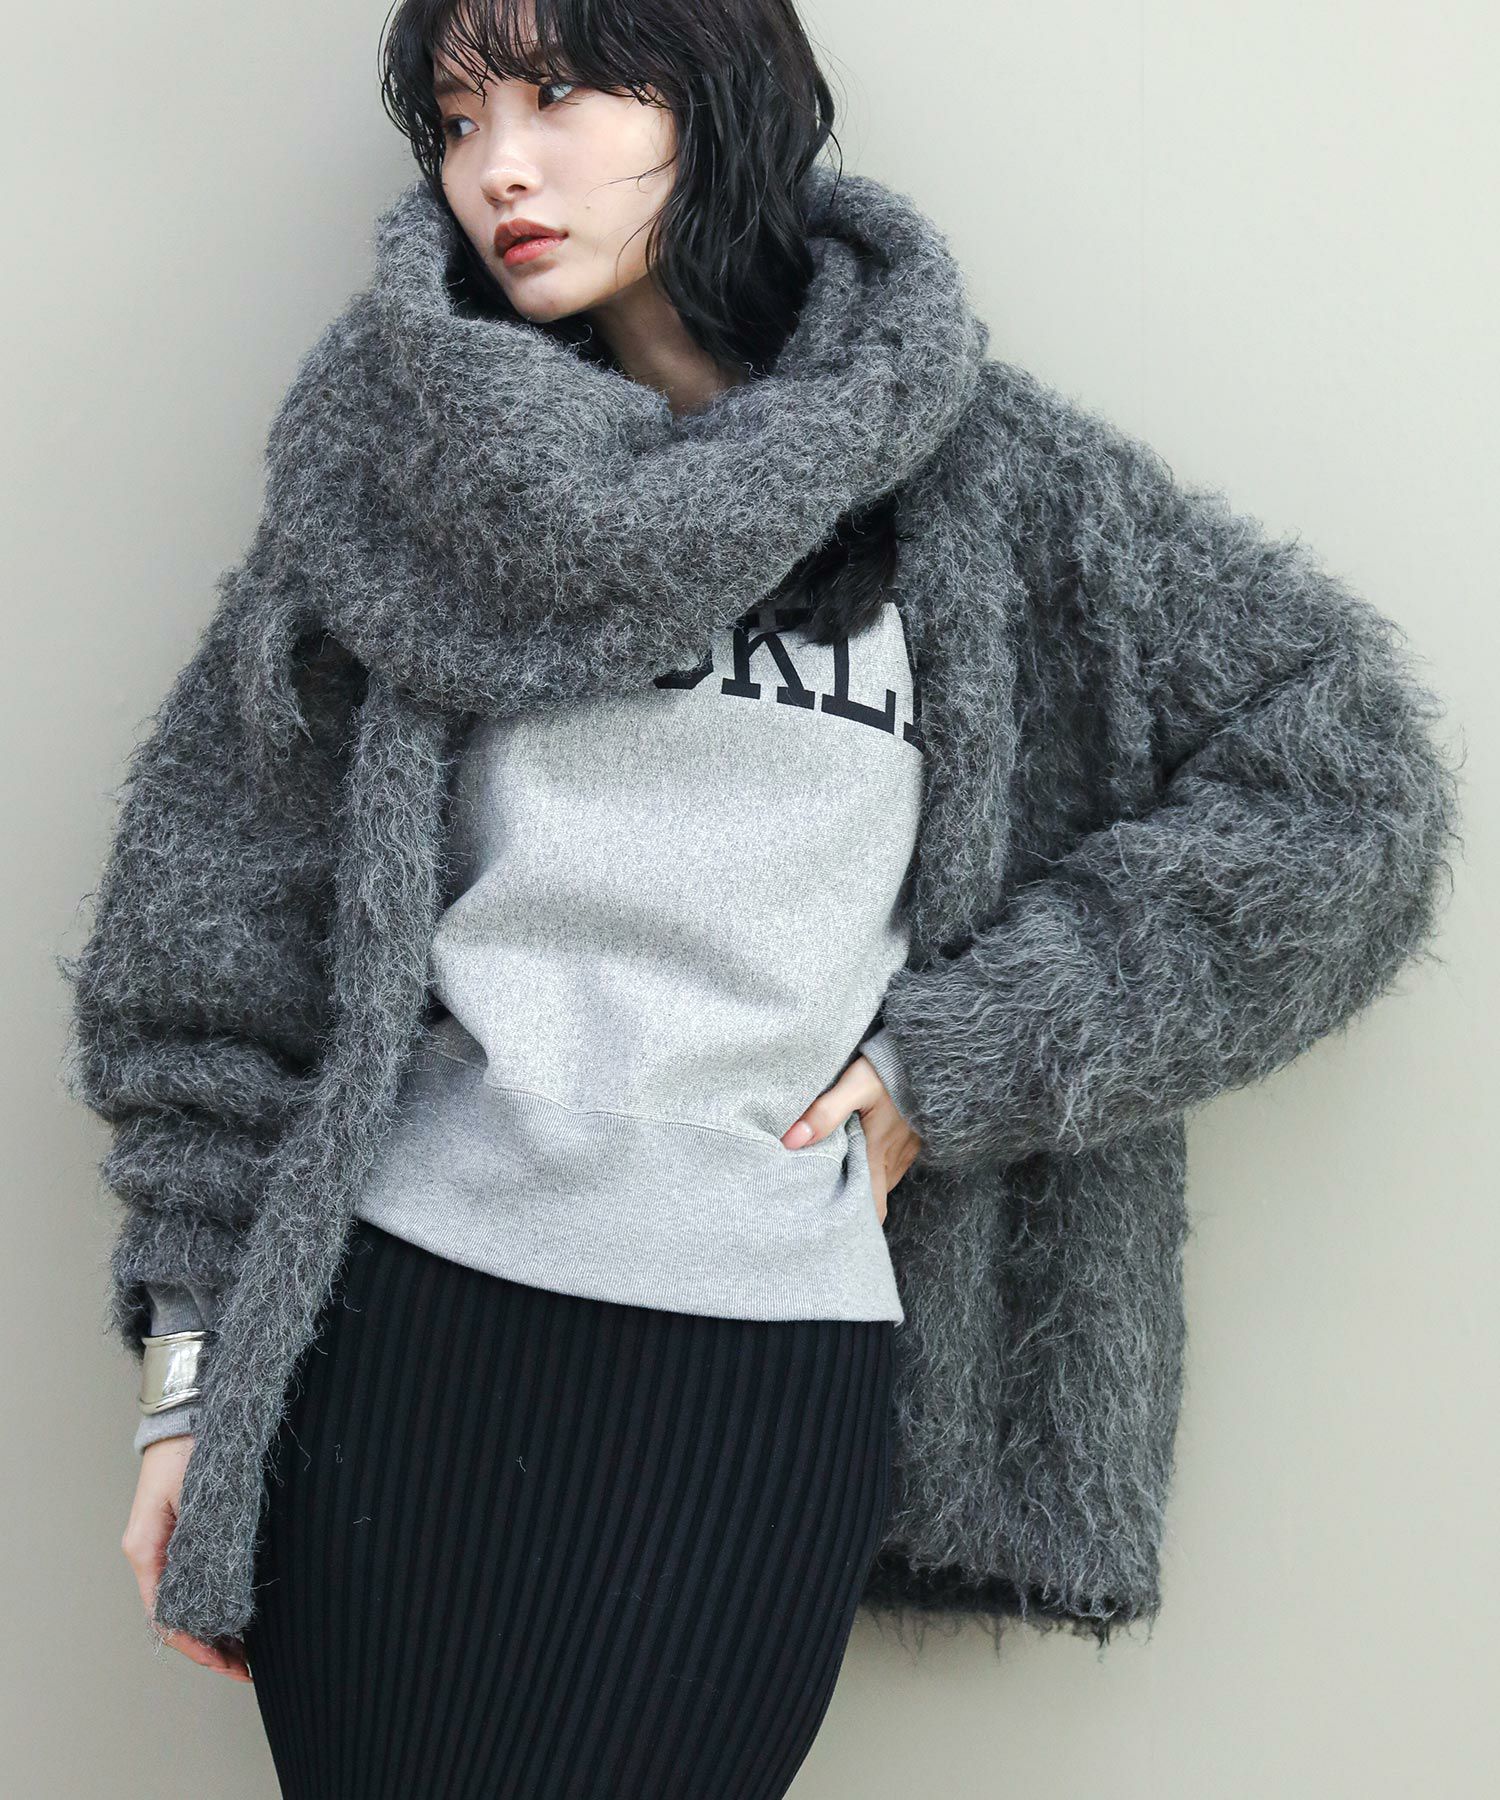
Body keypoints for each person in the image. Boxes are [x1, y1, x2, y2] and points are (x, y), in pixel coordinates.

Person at [65, 0, 1460, 1795]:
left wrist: (962, 1060)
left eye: (559, 93)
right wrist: (196, 1385)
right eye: (459, 115)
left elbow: (1347, 787)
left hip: (760, 1372)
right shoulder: (407, 470)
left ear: (719, 96)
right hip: (400, 1338)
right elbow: (208, 939)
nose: (500, 167)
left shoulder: (983, 484)